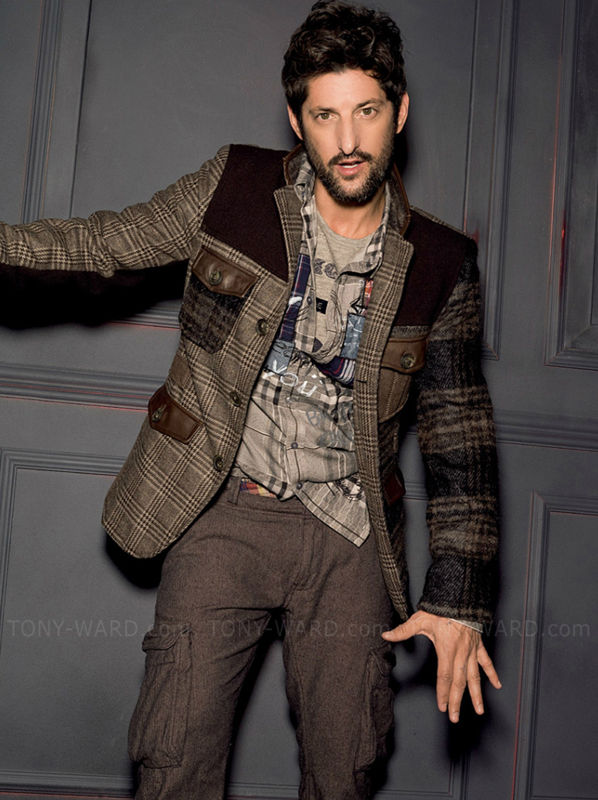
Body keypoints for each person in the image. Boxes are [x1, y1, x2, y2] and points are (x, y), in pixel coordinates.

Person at [0, 1, 501, 797]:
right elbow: (101, 245)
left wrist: (459, 598)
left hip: (349, 538)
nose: (347, 140)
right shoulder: (232, 188)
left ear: (400, 112)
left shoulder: (442, 264)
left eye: (367, 111)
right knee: (174, 758)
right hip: (223, 511)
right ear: (297, 120)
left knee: (347, 767)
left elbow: (459, 440)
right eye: (325, 115)